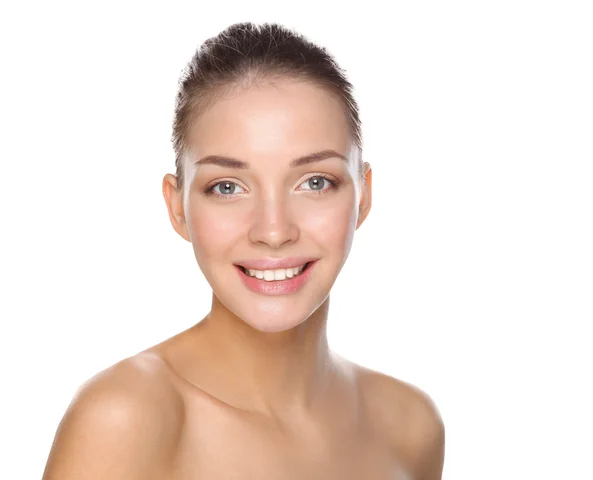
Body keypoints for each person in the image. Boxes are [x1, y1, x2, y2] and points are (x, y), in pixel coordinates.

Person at [42, 22, 445, 479]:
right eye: (227, 187)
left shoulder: (410, 425)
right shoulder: (125, 420)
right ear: (177, 207)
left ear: (363, 196)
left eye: (315, 182)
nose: (273, 231)